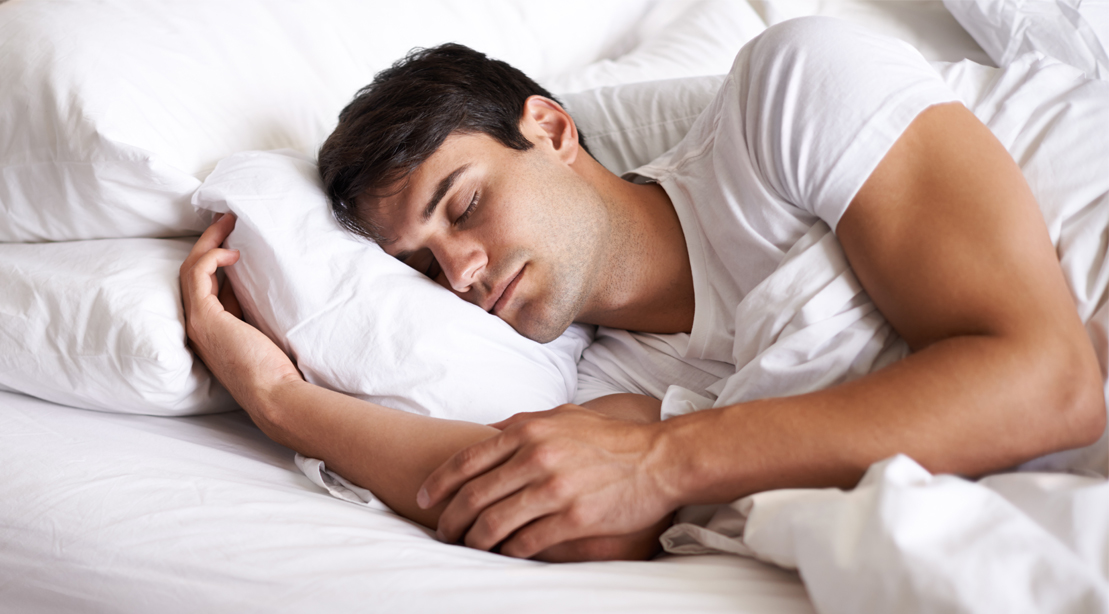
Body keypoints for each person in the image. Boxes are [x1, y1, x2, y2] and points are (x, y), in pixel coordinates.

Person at [180, 18, 1106, 562]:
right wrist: (276, 399)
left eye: (463, 206)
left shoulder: (785, 98)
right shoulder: (596, 382)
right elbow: (544, 509)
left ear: (548, 127)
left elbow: (1048, 382)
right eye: (422, 267)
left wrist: (666, 460)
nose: (458, 274)